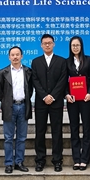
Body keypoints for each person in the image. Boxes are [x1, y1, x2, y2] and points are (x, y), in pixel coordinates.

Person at [31, 34, 68, 172]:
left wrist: (52, 96)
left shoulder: (61, 61)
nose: (47, 45)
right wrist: (44, 96)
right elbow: (35, 80)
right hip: (41, 103)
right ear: (41, 45)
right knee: (40, 131)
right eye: (45, 43)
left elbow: (63, 80)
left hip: (56, 102)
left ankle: (57, 160)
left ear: (54, 44)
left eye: (49, 43)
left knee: (56, 131)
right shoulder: (36, 62)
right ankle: (40, 160)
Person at [0, 46, 34, 174]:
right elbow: (0, 92)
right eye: (12, 55)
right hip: (9, 107)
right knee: (8, 138)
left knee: (21, 137)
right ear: (9, 57)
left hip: (23, 106)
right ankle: (8, 163)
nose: (15, 57)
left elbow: (30, 90)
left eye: (17, 54)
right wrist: (6, 102)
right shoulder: (3, 72)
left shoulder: (28, 71)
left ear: (22, 56)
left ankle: (19, 162)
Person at [64, 36, 90, 171]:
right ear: (70, 47)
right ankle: (76, 159)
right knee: (74, 128)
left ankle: (84, 159)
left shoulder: (88, 60)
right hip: (72, 100)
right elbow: (64, 80)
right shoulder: (66, 62)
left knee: (87, 128)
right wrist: (66, 94)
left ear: (81, 46)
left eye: (77, 45)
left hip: (86, 99)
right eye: (73, 45)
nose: (75, 47)